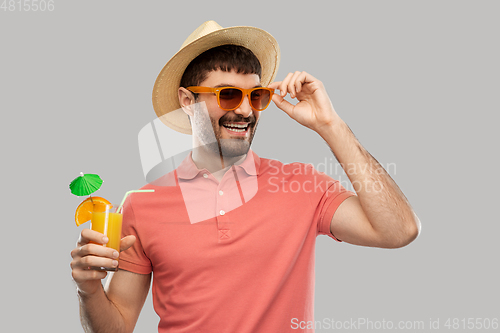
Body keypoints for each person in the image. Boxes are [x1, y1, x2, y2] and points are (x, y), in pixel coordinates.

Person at [70, 21, 420, 332]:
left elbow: (399, 230)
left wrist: (331, 126)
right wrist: (88, 290)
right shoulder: (141, 205)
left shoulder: (303, 185)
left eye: (256, 96)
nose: (244, 109)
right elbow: (115, 329)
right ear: (187, 101)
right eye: (228, 95)